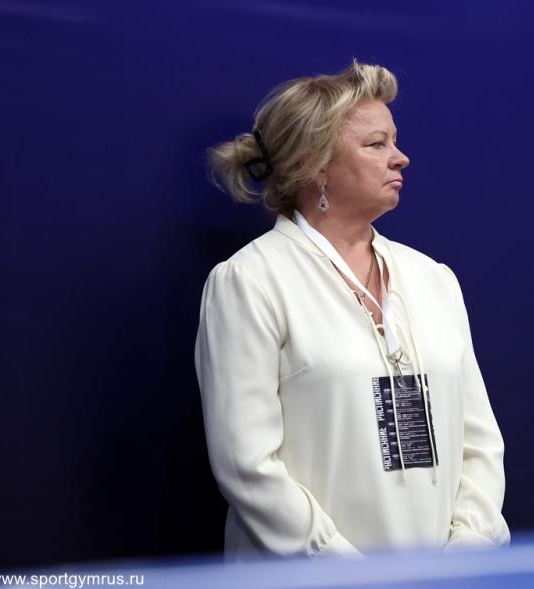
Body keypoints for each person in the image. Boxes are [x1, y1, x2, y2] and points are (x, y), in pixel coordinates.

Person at [195, 60, 510, 559]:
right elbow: (248, 467)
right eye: (376, 144)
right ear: (314, 164)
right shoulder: (250, 281)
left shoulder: (434, 279)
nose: (401, 158)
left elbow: (481, 445)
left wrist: (463, 556)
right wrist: (350, 573)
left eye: (394, 141)